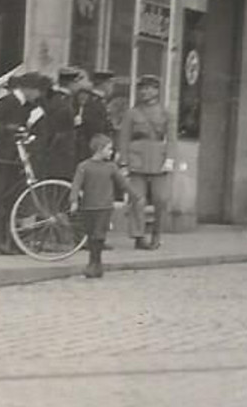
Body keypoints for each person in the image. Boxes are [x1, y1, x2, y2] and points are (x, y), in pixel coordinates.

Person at [0, 71, 47, 255]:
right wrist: (7, 129)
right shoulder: (8, 102)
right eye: (37, 91)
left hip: (8, 159)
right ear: (29, 89)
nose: (38, 96)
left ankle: (0, 241)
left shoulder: (24, 105)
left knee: (4, 200)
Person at [117, 73, 176, 250]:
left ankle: (157, 233)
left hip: (158, 159)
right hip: (137, 159)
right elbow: (124, 138)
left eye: (149, 88)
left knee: (161, 199)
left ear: (157, 91)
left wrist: (170, 159)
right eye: (142, 88)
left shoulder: (165, 113)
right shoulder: (132, 113)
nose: (145, 92)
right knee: (137, 199)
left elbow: (171, 138)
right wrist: (124, 162)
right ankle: (139, 236)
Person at [69, 132, 133, 279]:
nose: (111, 152)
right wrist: (73, 200)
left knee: (99, 235)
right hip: (88, 207)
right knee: (91, 235)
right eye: (109, 149)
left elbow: (122, 183)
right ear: (100, 149)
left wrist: (135, 196)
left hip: (104, 207)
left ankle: (95, 263)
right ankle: (95, 263)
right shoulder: (84, 166)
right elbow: (76, 185)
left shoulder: (111, 167)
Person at [37, 68, 82, 182]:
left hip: (61, 152)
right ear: (71, 83)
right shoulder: (61, 102)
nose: (78, 86)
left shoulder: (61, 99)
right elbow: (58, 129)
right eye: (77, 82)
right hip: (60, 153)